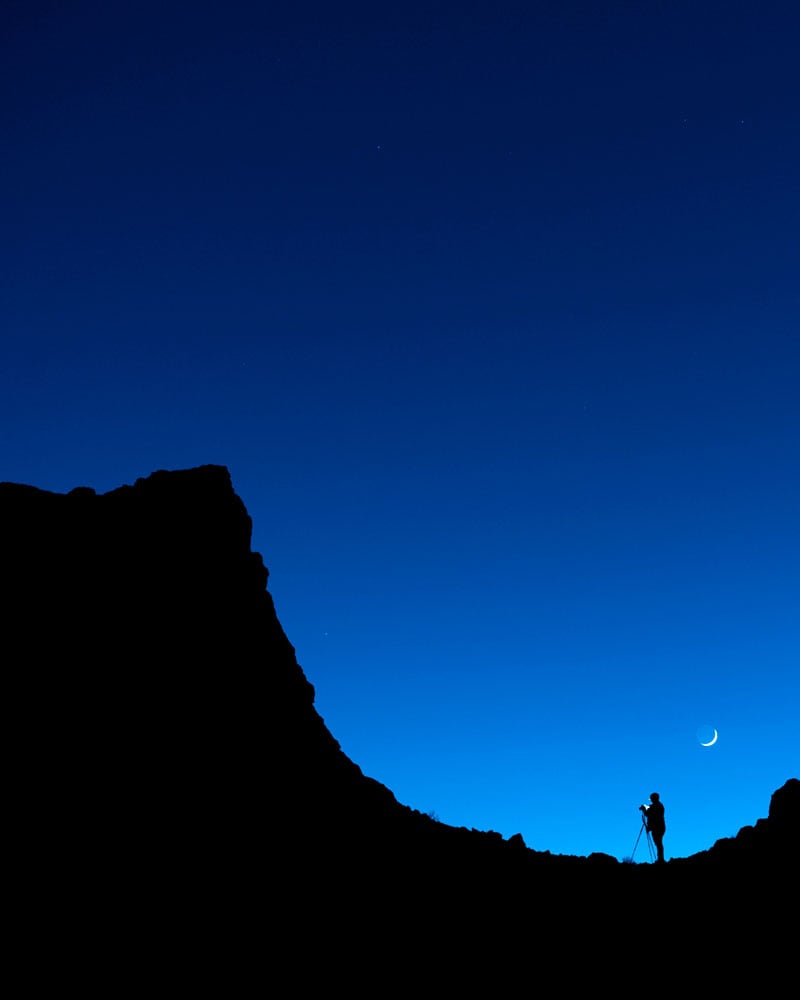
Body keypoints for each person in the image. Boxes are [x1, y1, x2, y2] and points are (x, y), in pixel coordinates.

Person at [640, 792, 666, 863]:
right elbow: (649, 813)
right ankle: (660, 858)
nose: (651, 800)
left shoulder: (657, 806)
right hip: (659, 827)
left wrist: (644, 809)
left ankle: (661, 859)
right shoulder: (658, 806)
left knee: (658, 843)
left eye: (651, 799)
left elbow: (649, 814)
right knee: (658, 842)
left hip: (658, 828)